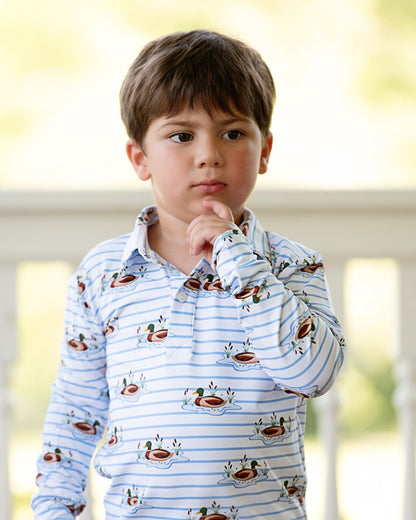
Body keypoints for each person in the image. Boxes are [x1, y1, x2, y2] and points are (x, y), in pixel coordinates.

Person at [31, 29, 345, 519]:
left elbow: (313, 371)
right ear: (140, 158)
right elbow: (74, 418)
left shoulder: (291, 264)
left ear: (264, 152)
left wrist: (236, 256)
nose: (209, 154)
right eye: (182, 135)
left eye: (233, 133)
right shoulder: (103, 274)